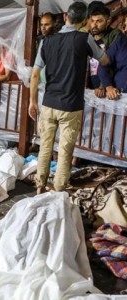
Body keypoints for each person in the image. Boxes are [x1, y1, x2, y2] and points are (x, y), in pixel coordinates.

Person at [29, 2, 109, 195]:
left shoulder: (45, 42)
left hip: (48, 103)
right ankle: (58, 190)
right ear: (84, 21)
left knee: (45, 146)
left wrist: (33, 101)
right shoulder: (85, 38)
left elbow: (34, 74)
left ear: (66, 17)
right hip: (71, 106)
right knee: (65, 150)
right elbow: (105, 60)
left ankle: (40, 186)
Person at [91, 6, 127, 99]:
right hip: (93, 89)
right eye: (92, 21)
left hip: (111, 89)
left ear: (108, 21)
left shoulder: (114, 37)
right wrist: (107, 87)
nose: (94, 25)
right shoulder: (87, 39)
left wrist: (104, 86)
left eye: (99, 21)